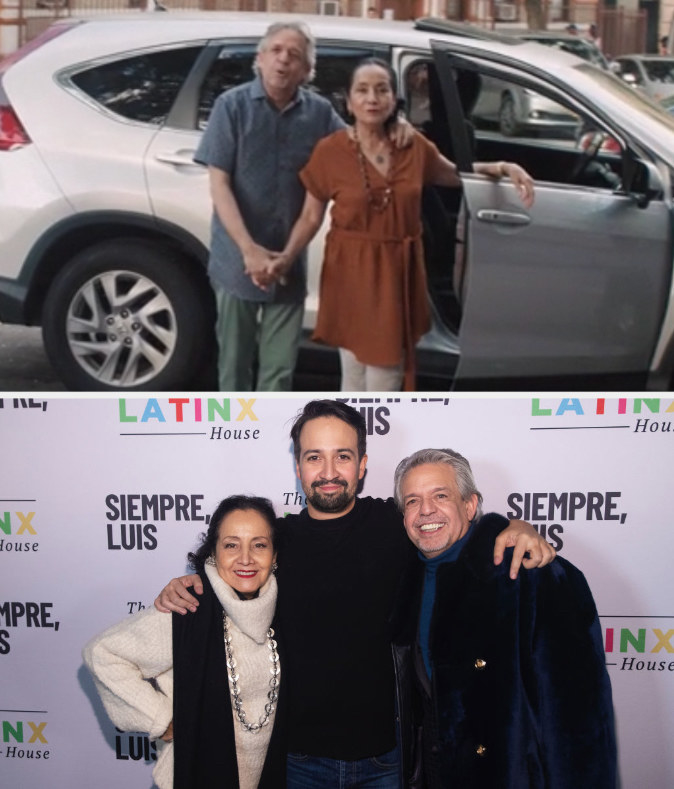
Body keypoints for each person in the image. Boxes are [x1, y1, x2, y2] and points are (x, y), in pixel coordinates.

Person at [155, 400, 556, 788]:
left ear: (363, 465)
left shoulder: (397, 525)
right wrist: (190, 583)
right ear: (298, 466)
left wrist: (516, 526)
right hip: (296, 761)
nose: (328, 471)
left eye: (342, 456)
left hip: (387, 760)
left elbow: (455, 526)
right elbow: (230, 569)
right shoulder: (275, 542)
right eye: (314, 457)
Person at [273, 59, 534, 391]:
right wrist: (285, 257)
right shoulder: (330, 152)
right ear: (349, 101)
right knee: (352, 372)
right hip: (349, 273)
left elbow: (453, 174)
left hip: (395, 274)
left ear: (394, 99)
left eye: (382, 90)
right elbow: (311, 217)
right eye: (362, 90)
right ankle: (355, 436)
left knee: (385, 373)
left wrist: (502, 166)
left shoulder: (413, 146)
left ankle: (378, 436)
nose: (372, 98)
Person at [195, 23, 411, 391]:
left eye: (294, 55)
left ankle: (268, 441)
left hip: (288, 261)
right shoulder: (230, 107)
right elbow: (219, 185)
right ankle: (234, 439)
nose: (283, 60)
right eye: (276, 50)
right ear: (260, 59)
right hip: (237, 260)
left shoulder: (319, 113)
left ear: (306, 70)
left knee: (279, 373)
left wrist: (396, 122)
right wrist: (248, 251)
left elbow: (360, 140)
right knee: (233, 367)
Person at [391, 448, 617, 788]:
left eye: (441, 495)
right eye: (412, 501)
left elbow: (580, 722)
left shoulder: (533, 574)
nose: (425, 510)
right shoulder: (404, 580)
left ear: (470, 505)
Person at [83, 496, 285, 789]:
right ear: (213, 553)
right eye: (231, 544)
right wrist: (160, 719)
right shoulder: (188, 608)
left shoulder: (284, 610)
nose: (245, 558)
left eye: (259, 545)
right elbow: (102, 654)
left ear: (274, 555)